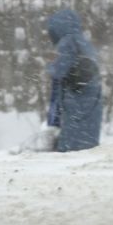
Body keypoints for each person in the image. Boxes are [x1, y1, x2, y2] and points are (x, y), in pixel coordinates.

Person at [44, 8, 102, 152]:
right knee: (87, 141)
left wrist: (49, 66)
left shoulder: (67, 42)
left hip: (76, 100)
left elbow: (59, 70)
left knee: (72, 144)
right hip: (92, 99)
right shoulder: (84, 41)